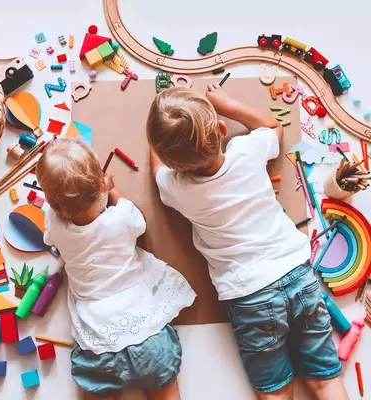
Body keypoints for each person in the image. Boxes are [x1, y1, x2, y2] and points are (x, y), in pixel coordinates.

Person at [146, 85, 349, 400]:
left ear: (175, 164)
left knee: (276, 392)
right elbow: (273, 127)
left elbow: (158, 170)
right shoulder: (246, 150)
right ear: (222, 129)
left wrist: (157, 143)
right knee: (325, 379)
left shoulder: (178, 188)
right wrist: (227, 104)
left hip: (250, 296)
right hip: (297, 275)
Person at [36, 138, 196, 400]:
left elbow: (52, 224)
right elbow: (140, 220)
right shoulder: (120, 218)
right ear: (102, 184)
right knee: (165, 391)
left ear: (54, 205)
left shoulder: (56, 226)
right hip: (144, 330)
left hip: (98, 340)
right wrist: (113, 191)